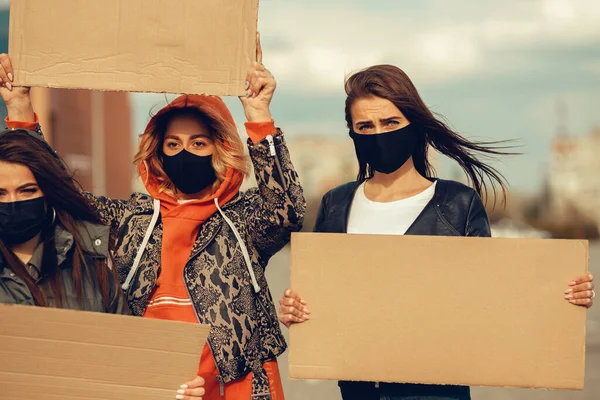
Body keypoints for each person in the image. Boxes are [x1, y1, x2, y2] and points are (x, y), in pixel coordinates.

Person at [0, 34, 305, 400]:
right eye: (173, 144)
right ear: (157, 152)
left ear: (220, 149)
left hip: (236, 386)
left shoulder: (245, 219)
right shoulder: (131, 217)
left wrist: (258, 115)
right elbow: (65, 196)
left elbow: (287, 209)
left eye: (198, 143)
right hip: (156, 384)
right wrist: (20, 110)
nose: (184, 153)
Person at [277, 64, 595, 400]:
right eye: (365, 126)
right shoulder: (336, 203)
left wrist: (564, 298)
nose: (378, 133)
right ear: (353, 134)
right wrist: (296, 312)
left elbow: (494, 300)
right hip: (360, 392)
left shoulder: (458, 203)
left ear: (414, 125)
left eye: (390, 122)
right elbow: (324, 301)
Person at [0, 128, 127, 314]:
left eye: (27, 190)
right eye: (0, 193)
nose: (12, 202)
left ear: (49, 193)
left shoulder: (91, 271)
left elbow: (121, 339)